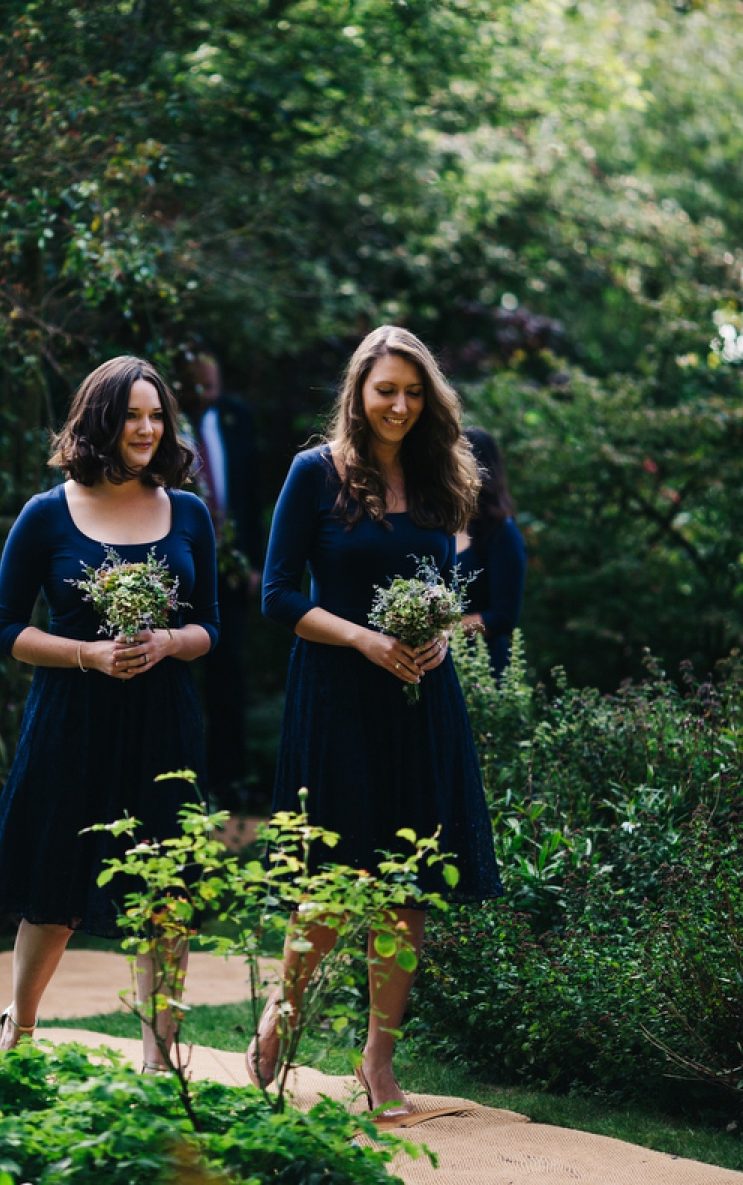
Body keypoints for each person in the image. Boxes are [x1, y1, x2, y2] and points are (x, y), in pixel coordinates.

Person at [253, 325, 502, 1127]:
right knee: (332, 879)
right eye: (385, 389)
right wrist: (365, 636)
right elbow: (277, 594)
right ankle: (282, 1017)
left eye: (413, 391)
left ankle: (378, 1062)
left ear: (429, 399)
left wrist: (435, 633)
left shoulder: (440, 477)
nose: (399, 404)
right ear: (359, 393)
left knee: (410, 885)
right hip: (336, 696)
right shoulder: (313, 473)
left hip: (419, 701)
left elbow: (449, 585)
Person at [0, 356, 219, 1069]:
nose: (146, 428)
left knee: (163, 890)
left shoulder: (189, 512)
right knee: (55, 888)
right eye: (131, 415)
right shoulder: (46, 514)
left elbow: (214, 629)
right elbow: (2, 630)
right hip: (71, 719)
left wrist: (168, 639)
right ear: (100, 421)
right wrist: (89, 654)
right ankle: (19, 1031)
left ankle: (158, 1059)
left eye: (156, 415)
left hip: (163, 721)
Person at [178, 350, 264, 808]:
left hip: (229, 569)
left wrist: (252, 561)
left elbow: (251, 494)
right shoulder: (167, 425)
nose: (203, 395)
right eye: (196, 386)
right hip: (180, 567)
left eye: (210, 386)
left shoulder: (236, 419)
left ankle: (230, 783)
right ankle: (179, 782)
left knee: (228, 674)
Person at [457, 427, 526, 680]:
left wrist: (444, 632)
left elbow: (503, 618)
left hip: (482, 671)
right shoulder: (438, 527)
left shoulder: (502, 535)